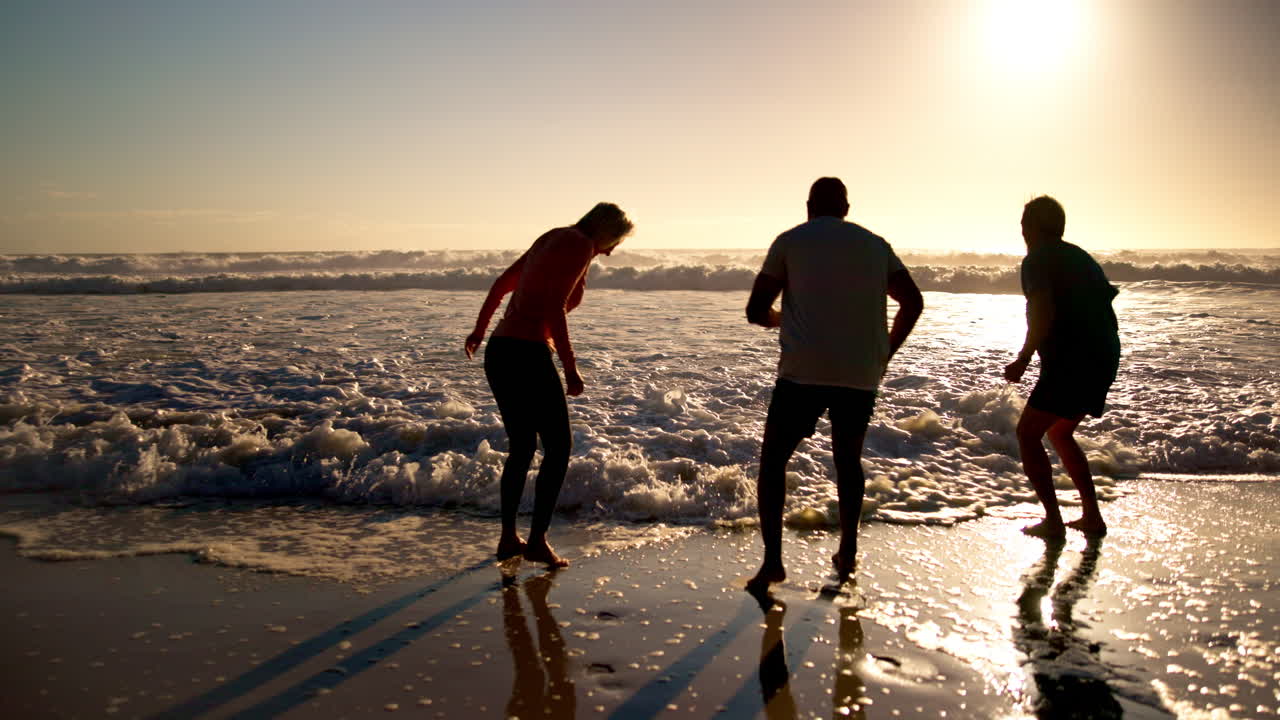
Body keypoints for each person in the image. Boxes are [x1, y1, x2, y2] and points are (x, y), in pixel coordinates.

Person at [745, 177, 923, 590]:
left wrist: (780, 319)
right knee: (847, 460)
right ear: (846, 208)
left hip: (803, 371)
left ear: (809, 206)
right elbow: (913, 302)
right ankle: (848, 553)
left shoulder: (789, 241)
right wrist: (885, 353)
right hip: (859, 372)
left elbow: (756, 309)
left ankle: (773, 563)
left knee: (774, 463)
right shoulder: (875, 244)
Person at [465, 202, 634, 567]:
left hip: (501, 350)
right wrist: (570, 367)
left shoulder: (553, 237)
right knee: (558, 448)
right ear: (606, 231)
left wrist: (480, 330)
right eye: (615, 241)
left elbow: (501, 285)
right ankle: (538, 541)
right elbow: (554, 307)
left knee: (523, 447)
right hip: (528, 354)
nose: (613, 250)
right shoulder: (579, 245)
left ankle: (509, 538)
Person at [1003, 196, 1120, 538]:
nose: (1021, 230)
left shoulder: (1038, 259)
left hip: (1074, 358)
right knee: (1059, 431)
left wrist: (1023, 358)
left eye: (1024, 223)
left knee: (1028, 433)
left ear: (1033, 228)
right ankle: (1092, 516)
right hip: (1103, 354)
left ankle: (1053, 521)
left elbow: (1042, 309)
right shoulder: (1077, 255)